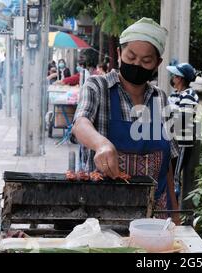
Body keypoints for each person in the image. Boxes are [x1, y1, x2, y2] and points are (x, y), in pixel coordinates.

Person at [72, 18, 180, 224]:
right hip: (103, 214)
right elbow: (80, 123)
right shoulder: (98, 87)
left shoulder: (160, 99)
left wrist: (175, 217)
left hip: (154, 217)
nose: (137, 65)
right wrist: (101, 144)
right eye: (131, 56)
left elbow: (167, 166)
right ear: (120, 54)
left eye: (146, 61)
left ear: (157, 64)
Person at [166, 63, 199, 200]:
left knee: (175, 175)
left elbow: (183, 119)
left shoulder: (189, 95)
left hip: (182, 142)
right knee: (168, 170)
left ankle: (174, 207)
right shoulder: (174, 95)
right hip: (172, 139)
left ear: (180, 78)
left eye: (175, 75)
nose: (172, 77)